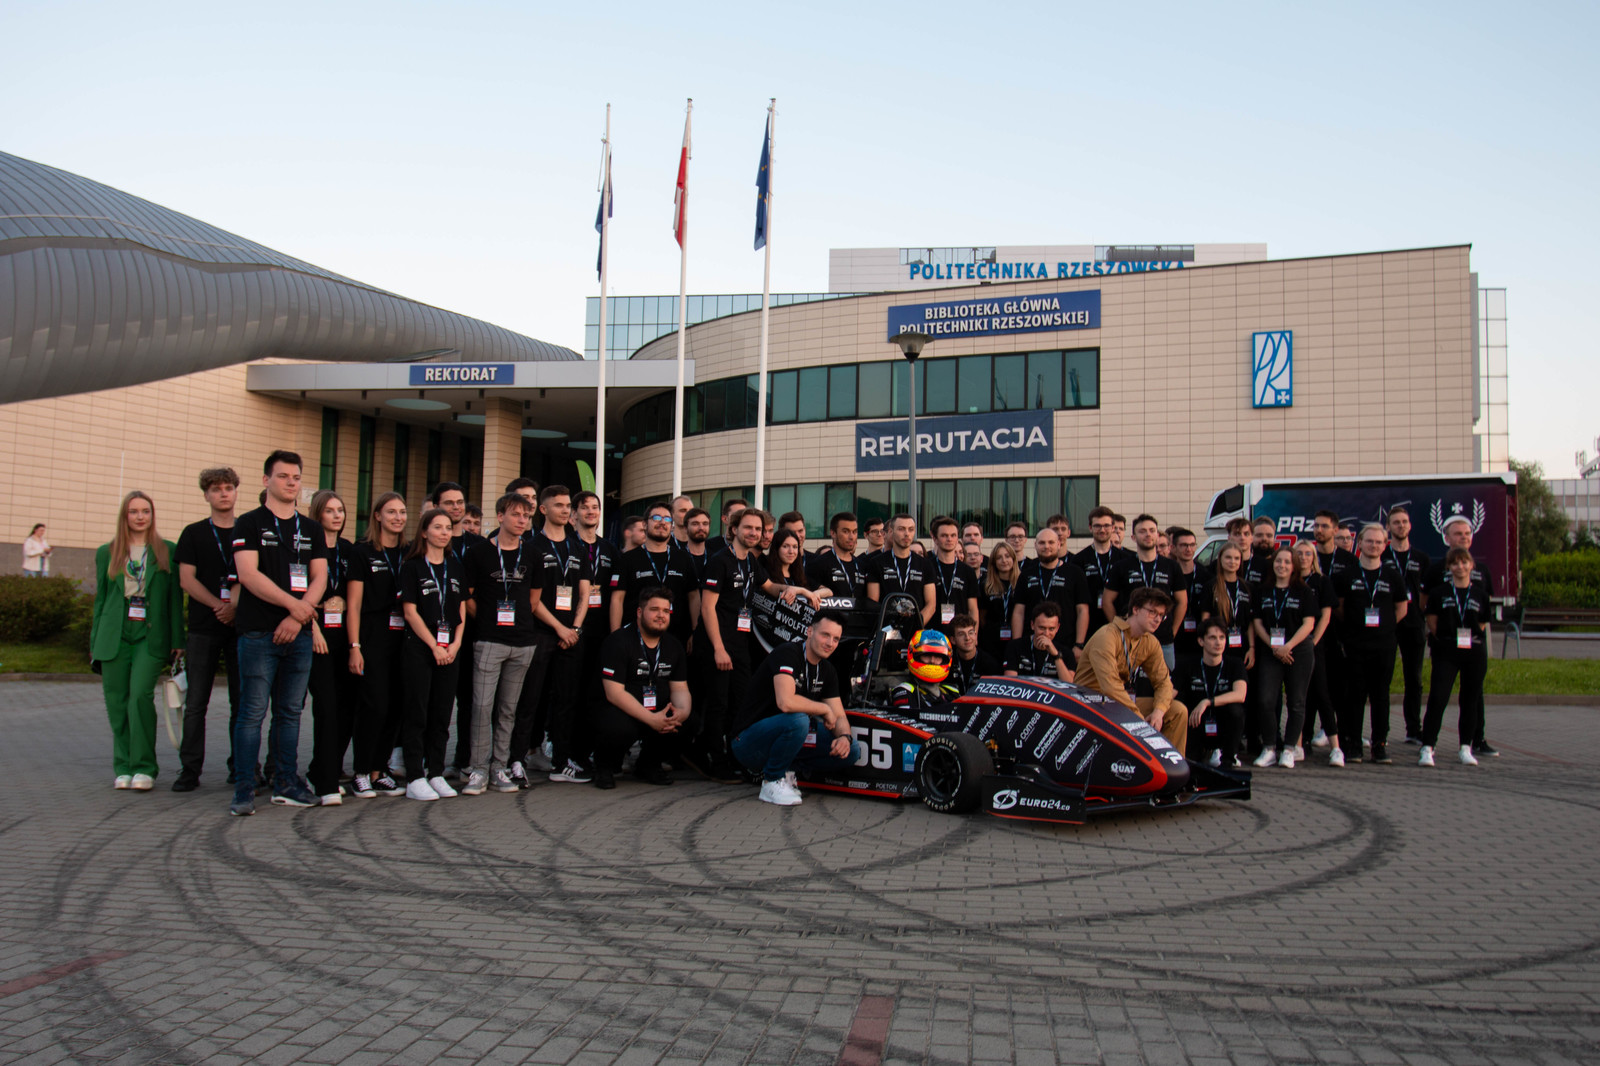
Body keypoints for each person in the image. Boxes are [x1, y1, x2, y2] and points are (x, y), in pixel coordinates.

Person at [229, 451, 327, 815]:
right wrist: (294, 608)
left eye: (296, 477)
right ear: (266, 480)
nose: (291, 483)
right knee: (252, 713)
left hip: (298, 635)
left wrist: (298, 617)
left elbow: (320, 577)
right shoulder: (249, 523)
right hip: (259, 634)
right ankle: (244, 788)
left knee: (290, 713)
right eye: (283, 476)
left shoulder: (311, 529)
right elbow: (248, 575)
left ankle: (286, 782)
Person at [691, 508, 810, 781]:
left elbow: (770, 587)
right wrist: (718, 648)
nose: (754, 533)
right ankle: (715, 760)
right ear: (734, 530)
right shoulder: (720, 561)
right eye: (748, 528)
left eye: (758, 529)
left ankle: (737, 756)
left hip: (739, 643)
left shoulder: (750, 563)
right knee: (718, 704)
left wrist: (797, 590)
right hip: (716, 643)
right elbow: (707, 608)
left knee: (742, 701)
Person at [91, 491, 184, 792]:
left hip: (150, 634)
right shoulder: (107, 552)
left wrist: (178, 639)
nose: (140, 517)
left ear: (152, 515)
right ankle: (123, 767)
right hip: (114, 634)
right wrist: (95, 643)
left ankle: (144, 767)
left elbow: (174, 599)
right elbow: (101, 600)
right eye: (134, 511)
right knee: (116, 702)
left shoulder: (166, 550)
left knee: (139, 697)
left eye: (146, 511)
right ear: (125, 516)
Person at [730, 610, 863, 806]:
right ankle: (771, 781)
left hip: (787, 738)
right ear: (810, 631)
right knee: (798, 720)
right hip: (748, 743)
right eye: (825, 635)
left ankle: (787, 771)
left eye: (836, 639)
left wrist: (844, 737)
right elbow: (785, 702)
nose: (830, 643)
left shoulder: (827, 670)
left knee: (852, 750)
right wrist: (823, 709)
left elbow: (839, 716)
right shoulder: (788, 653)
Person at [460, 493, 539, 796]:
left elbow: (533, 599)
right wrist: (486, 620)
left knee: (508, 710)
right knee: (482, 707)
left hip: (523, 643)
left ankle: (499, 767)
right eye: (516, 514)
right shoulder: (478, 553)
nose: (522, 520)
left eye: (526, 516)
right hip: (488, 641)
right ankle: (478, 769)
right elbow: (467, 596)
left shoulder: (531, 554)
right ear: (501, 516)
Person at [172, 468, 242, 792]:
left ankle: (241, 767)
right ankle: (189, 770)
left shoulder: (247, 530)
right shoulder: (193, 533)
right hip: (203, 627)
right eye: (216, 489)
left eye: (228, 488)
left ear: (236, 492)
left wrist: (234, 608)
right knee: (196, 702)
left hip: (241, 627)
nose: (223, 493)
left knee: (242, 703)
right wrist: (219, 605)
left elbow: (252, 574)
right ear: (206, 495)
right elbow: (187, 580)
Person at [520, 485, 594, 785]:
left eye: (567, 506)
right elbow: (532, 600)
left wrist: (574, 628)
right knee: (531, 699)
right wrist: (559, 628)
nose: (565, 511)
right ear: (543, 509)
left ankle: (561, 762)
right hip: (541, 633)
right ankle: (518, 758)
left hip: (571, 636)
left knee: (567, 700)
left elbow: (585, 593)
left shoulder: (577, 548)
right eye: (559, 505)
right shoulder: (532, 546)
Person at [397, 508, 467, 800]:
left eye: (448, 527)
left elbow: (461, 608)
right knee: (417, 713)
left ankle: (436, 772)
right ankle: (415, 776)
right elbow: (410, 612)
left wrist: (455, 644)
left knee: (442, 714)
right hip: (421, 648)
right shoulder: (412, 566)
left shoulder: (455, 566)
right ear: (424, 532)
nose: (444, 532)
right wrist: (433, 646)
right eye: (437, 527)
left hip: (449, 649)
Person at [345, 492, 408, 798]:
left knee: (395, 707)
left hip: (403, 639)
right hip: (372, 637)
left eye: (402, 512)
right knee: (375, 706)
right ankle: (360, 771)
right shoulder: (362, 552)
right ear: (378, 516)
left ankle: (379, 771)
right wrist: (354, 646)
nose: (398, 517)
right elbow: (354, 605)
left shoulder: (409, 552)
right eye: (391, 512)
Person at [596, 586, 690, 788]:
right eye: (654, 610)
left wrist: (681, 713)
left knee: (687, 723)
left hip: (656, 709)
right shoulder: (618, 641)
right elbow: (614, 694)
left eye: (665, 611)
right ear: (639, 612)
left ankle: (648, 765)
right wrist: (651, 719)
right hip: (623, 711)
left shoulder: (673, 646)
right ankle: (605, 766)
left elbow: (680, 689)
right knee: (619, 727)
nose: (661, 615)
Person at [1074, 588, 1188, 749]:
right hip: (1092, 703)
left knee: (1177, 711)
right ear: (1135, 609)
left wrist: (1159, 711)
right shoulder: (1107, 636)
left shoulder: (1150, 642)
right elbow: (1110, 687)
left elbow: (1164, 682)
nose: (1157, 619)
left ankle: (1170, 763)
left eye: (1161, 615)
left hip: (1119, 703)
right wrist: (1137, 717)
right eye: (1152, 612)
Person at [1422, 513, 1497, 757]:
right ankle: (1427, 744)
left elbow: (1484, 614)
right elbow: (1427, 607)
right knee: (1439, 695)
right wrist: (1443, 635)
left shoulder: (1482, 570)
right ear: (1447, 538)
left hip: (1473, 646)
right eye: (1458, 534)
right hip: (1445, 646)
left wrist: (1472, 633)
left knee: (1474, 696)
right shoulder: (1436, 571)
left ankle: (1476, 740)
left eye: (1467, 534)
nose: (1463, 538)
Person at [1333, 523, 1408, 766]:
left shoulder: (1392, 576)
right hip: (1355, 645)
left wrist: (1385, 627)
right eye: (1369, 541)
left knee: (1380, 696)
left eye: (1378, 542)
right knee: (1355, 695)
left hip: (1384, 646)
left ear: (1384, 545)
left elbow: (1401, 609)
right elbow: (1340, 608)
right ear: (1360, 543)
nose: (1373, 545)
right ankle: (1354, 743)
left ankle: (1379, 745)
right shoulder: (1347, 576)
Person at [305, 490, 360, 805]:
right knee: (326, 707)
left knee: (346, 708)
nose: (337, 515)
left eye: (340, 510)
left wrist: (355, 644)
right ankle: (324, 781)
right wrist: (313, 629)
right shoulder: (308, 549)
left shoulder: (348, 549)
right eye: (329, 510)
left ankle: (324, 769)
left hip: (344, 636)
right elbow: (301, 594)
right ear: (318, 514)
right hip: (317, 635)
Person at [430, 481, 482, 781]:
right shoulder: (429, 546)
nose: (456, 507)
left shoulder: (478, 545)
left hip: (472, 633)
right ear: (436, 506)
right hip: (434, 635)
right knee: (435, 702)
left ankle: (463, 760)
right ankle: (427, 762)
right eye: (449, 503)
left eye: (460, 502)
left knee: (469, 702)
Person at [1250, 547, 1319, 769]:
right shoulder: (1263, 591)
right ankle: (1269, 748)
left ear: (1294, 566)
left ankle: (1289, 749)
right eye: (1278, 561)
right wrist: (1274, 646)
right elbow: (1257, 623)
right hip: (1271, 650)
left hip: (1298, 650)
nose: (1282, 565)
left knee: (1296, 702)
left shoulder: (1304, 591)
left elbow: (1309, 624)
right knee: (1266, 700)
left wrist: (1288, 646)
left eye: (1287, 562)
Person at [1104, 515, 1187, 671]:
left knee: (1164, 681)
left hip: (1163, 640)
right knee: (1127, 680)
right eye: (1142, 531)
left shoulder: (1171, 566)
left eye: (1152, 530)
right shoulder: (1122, 566)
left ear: (1157, 535)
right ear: (1133, 537)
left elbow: (1182, 601)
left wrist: (1173, 631)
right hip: (1131, 639)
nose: (1148, 534)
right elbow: (1107, 601)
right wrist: (1120, 629)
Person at [611, 503, 700, 646]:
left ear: (672, 526)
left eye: (667, 519)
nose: (662, 522)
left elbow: (694, 596)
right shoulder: (628, 559)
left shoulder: (683, 558)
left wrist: (695, 631)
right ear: (645, 524)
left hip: (677, 638)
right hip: (635, 639)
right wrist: (616, 635)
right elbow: (617, 599)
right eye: (657, 518)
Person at [1383, 506, 1432, 745]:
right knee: (1383, 678)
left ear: (1410, 525)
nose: (1401, 526)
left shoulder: (1422, 559)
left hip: (1413, 624)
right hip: (1388, 625)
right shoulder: (1382, 556)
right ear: (1388, 527)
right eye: (1396, 522)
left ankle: (1413, 729)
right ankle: (1380, 731)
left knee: (1414, 679)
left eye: (1404, 521)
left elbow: (1428, 593)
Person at [1172, 619, 1248, 767]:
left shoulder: (1235, 663)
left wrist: (1207, 702)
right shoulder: (1187, 664)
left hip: (1222, 722)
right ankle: (1195, 756)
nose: (1218, 642)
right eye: (1212, 638)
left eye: (1222, 638)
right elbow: (1170, 693)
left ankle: (1228, 759)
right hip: (1196, 721)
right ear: (1201, 641)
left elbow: (1240, 694)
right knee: (1178, 708)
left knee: (1236, 711)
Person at [1011, 527, 1089, 669]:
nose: (1046, 546)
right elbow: (1019, 611)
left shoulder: (1075, 573)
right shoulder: (1026, 574)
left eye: (1051, 542)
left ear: (1059, 544)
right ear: (1035, 545)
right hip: (1032, 645)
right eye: (1042, 543)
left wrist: (1079, 644)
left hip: (1066, 644)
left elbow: (1082, 610)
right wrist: (1017, 644)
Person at [1293, 539, 1341, 762]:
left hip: (1314, 645)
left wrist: (1312, 643)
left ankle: (1335, 747)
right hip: (1291, 645)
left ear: (1313, 558)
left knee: (1321, 693)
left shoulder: (1322, 581)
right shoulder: (1289, 581)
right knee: (1299, 695)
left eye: (1307, 554)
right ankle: (1300, 742)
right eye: (1299, 553)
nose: (1303, 558)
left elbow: (1326, 616)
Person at [865, 514, 937, 627]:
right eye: (901, 529)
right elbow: (873, 602)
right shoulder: (877, 562)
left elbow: (931, 605)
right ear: (891, 531)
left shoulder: (925, 564)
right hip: (887, 628)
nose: (906, 533)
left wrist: (916, 625)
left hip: (916, 629)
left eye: (910, 529)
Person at [1073, 506, 1131, 639]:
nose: (1102, 530)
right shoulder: (1079, 560)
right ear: (1090, 527)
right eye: (1097, 526)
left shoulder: (1125, 559)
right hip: (1089, 626)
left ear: (1113, 527)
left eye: (1106, 526)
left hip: (1118, 623)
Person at [1199, 544, 1254, 669]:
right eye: (1228, 557)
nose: (1232, 562)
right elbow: (1205, 618)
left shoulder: (1248, 587)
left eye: (1236, 558)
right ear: (1220, 559)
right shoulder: (1211, 586)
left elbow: (1250, 622)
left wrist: (1252, 648)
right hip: (1218, 644)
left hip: (1242, 645)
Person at [927, 516, 979, 635]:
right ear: (935, 538)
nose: (949, 539)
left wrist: (974, 635)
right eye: (944, 535)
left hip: (960, 635)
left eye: (953, 535)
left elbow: (973, 609)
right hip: (932, 633)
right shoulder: (926, 567)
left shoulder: (967, 571)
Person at [890, 628, 962, 713]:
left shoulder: (952, 692)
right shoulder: (905, 691)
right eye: (927, 655)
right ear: (915, 656)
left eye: (937, 657)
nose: (932, 661)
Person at [1003, 601, 1073, 681]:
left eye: (1051, 629)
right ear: (1032, 625)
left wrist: (1056, 656)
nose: (1046, 634)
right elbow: (1010, 681)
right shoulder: (1015, 646)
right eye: (1042, 628)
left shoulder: (1066, 653)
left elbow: (1069, 684)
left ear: (1057, 628)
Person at [1169, 528, 1209, 667]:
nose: (1188, 549)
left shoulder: (1205, 574)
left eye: (1192, 545)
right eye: (1184, 545)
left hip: (1198, 636)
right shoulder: (1168, 573)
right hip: (1174, 635)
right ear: (1173, 548)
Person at [978, 542, 1022, 662]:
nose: (1004, 560)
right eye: (999, 557)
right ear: (994, 562)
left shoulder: (1022, 583)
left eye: (1007, 556)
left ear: (1013, 559)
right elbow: (982, 616)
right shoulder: (986, 585)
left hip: (1016, 637)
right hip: (992, 640)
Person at [806, 511, 863, 600]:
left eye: (854, 532)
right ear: (833, 533)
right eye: (846, 531)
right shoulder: (818, 564)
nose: (851, 537)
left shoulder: (861, 566)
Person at [947, 614, 1001, 693]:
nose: (967, 638)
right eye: (961, 634)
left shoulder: (990, 664)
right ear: (953, 640)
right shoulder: (947, 663)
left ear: (976, 635)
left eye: (970, 633)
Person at [1242, 517, 1278, 589]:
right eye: (1259, 535)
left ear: (1274, 539)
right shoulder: (1240, 563)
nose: (1264, 539)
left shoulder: (1280, 564)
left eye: (1269, 535)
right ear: (1251, 538)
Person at [682, 507, 712, 580]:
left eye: (705, 524)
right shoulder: (677, 557)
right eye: (695, 524)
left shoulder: (715, 559)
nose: (701, 528)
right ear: (685, 528)